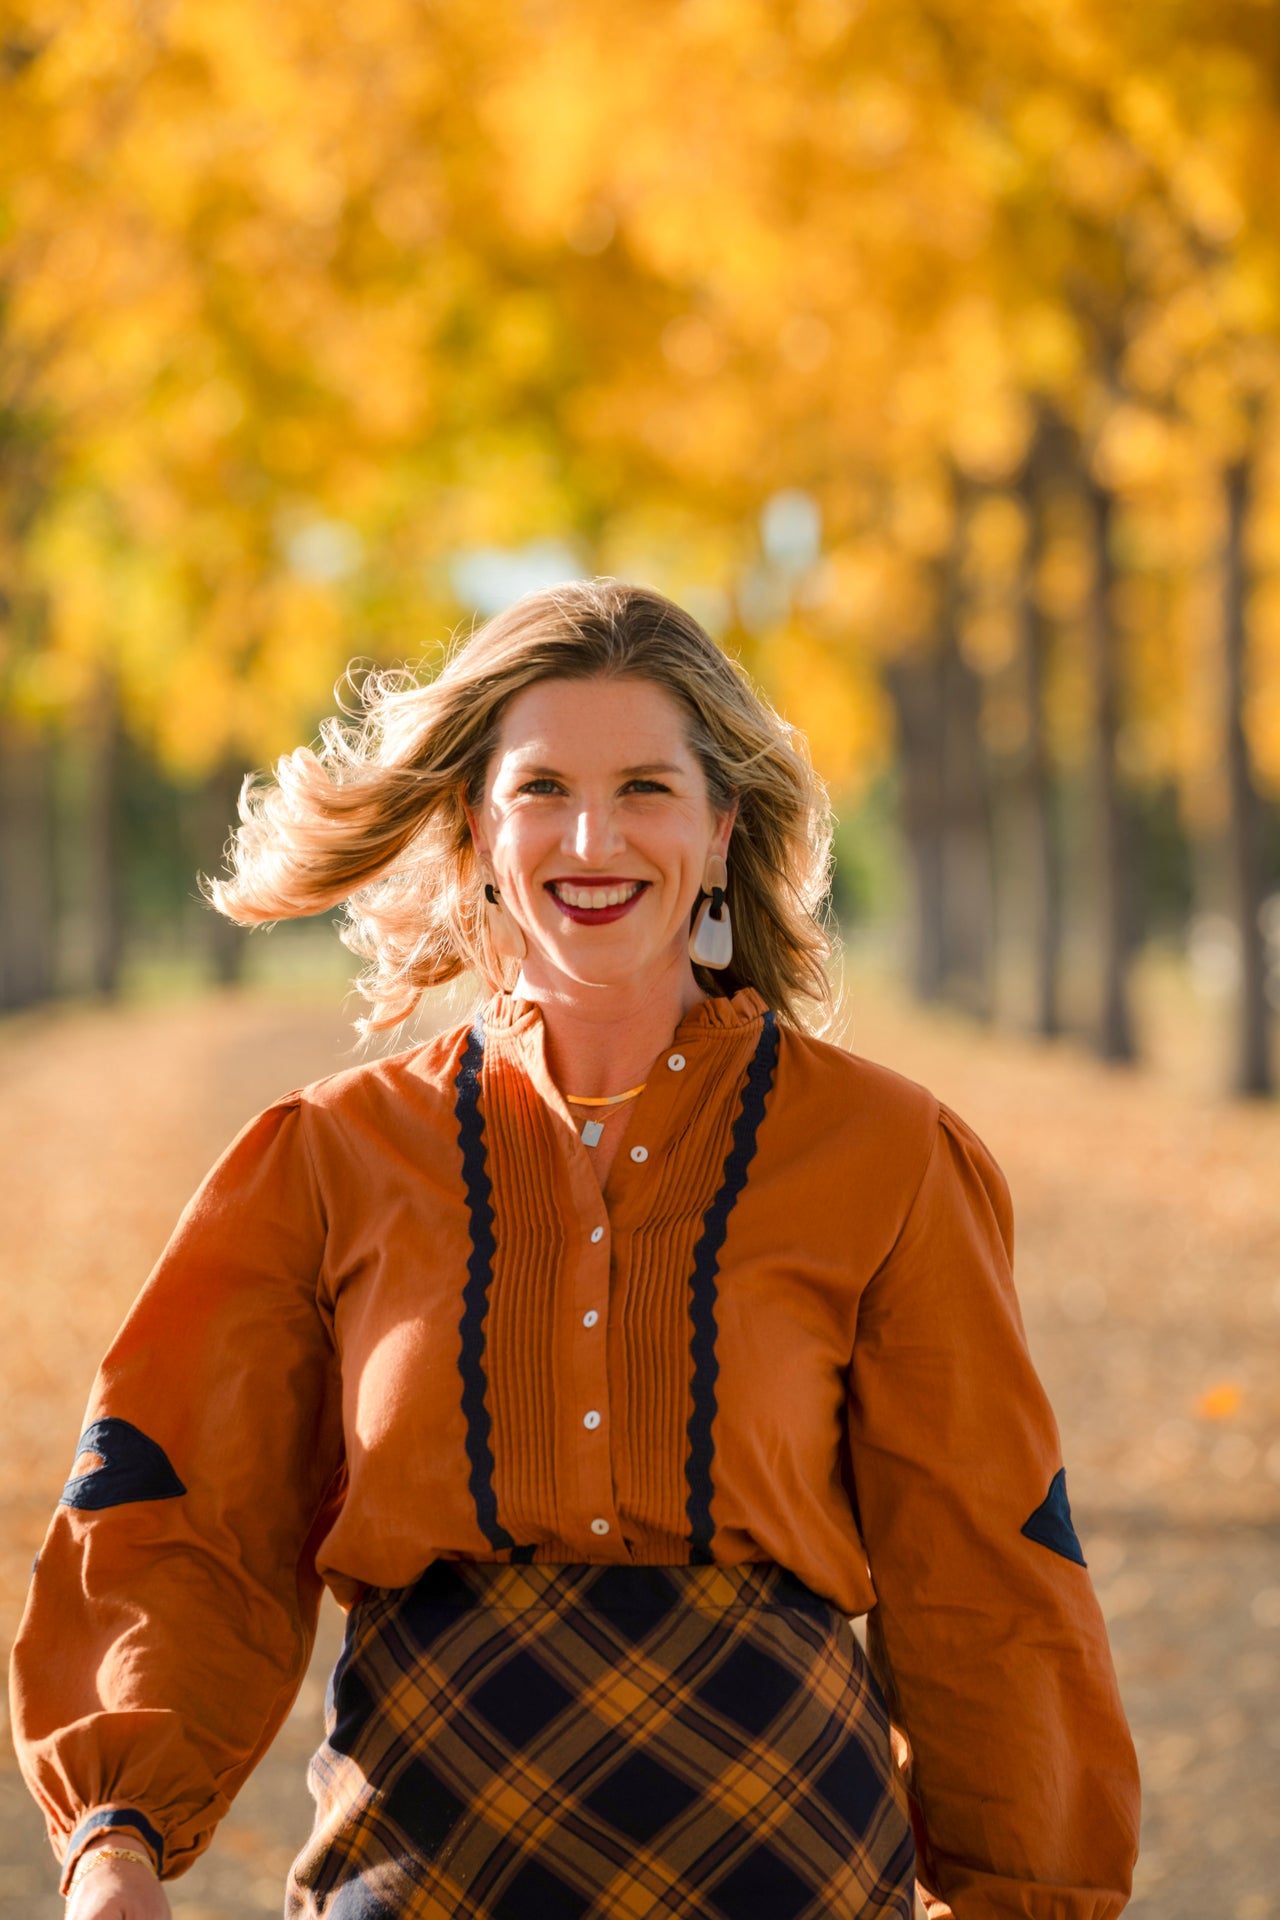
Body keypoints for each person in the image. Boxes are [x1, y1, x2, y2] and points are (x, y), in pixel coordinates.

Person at [11, 580, 1140, 1920]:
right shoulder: (326, 1158)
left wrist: (1028, 1893)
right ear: (477, 829)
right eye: (542, 788)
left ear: (720, 832)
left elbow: (987, 1570)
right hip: (420, 1874)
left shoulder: (889, 1154)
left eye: (646, 789)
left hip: (793, 1878)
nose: (592, 838)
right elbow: (180, 1514)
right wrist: (115, 1838)